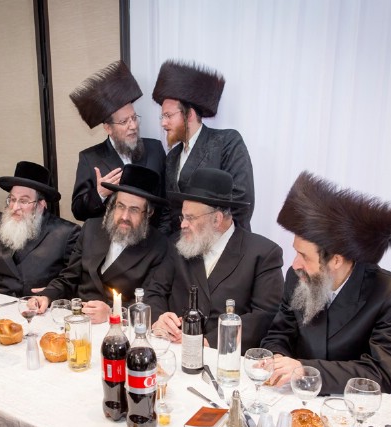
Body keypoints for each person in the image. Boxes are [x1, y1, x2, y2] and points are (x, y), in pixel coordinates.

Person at [260, 172, 391, 394]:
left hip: (349, 403)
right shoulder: (298, 277)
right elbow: (280, 333)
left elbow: (380, 374)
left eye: (304, 256)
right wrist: (277, 359)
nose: (295, 264)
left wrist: (305, 370)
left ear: (336, 260)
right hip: (297, 395)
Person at [146, 168, 283, 352]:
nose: (183, 224)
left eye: (190, 218)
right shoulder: (178, 244)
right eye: (183, 217)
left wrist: (209, 341)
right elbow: (155, 291)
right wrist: (159, 319)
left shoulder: (263, 253)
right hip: (174, 350)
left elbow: (264, 317)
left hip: (226, 356)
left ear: (217, 219)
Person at [36, 164, 169, 323]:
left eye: (134, 210)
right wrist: (47, 296)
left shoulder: (159, 246)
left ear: (149, 213)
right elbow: (69, 278)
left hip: (120, 327)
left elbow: (151, 302)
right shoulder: (91, 227)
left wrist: (113, 312)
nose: (124, 216)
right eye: (120, 206)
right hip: (78, 319)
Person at [152, 59, 254, 230]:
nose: (163, 123)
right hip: (182, 242)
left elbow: (241, 202)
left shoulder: (227, 142)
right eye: (162, 117)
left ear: (189, 115)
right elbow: (169, 211)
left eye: (168, 115)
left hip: (220, 241)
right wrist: (163, 242)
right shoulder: (172, 157)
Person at [69, 60, 168, 232]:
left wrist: (162, 238)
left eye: (134, 118)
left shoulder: (155, 149)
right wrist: (99, 194)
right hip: (111, 241)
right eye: (124, 122)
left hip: (152, 240)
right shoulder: (90, 158)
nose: (133, 126)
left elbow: (166, 202)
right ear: (108, 128)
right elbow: (78, 211)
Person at [0, 162, 80, 296]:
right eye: (12, 199)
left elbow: (72, 278)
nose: (15, 207)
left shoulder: (66, 233)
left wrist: (51, 293)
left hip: (37, 304)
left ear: (41, 205)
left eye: (23, 201)